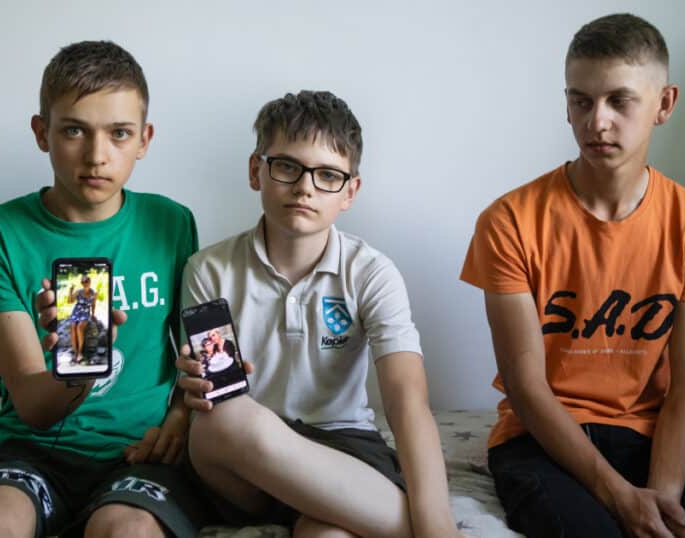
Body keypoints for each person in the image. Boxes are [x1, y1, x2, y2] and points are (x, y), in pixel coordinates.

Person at [459, 13, 685, 538]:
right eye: (580, 101)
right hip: (540, 440)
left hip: (651, 440)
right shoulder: (509, 221)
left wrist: (664, 496)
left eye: (619, 100)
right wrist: (617, 496)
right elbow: (526, 386)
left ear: (664, 104)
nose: (597, 121)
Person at [0, 40, 204, 538]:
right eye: (73, 130)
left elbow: (192, 350)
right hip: (31, 449)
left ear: (144, 139)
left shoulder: (171, 222)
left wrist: (179, 417)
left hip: (141, 451)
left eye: (119, 134)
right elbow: (34, 406)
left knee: (127, 532)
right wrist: (80, 361)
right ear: (42, 133)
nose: (97, 155)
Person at [134, 90, 462, 537]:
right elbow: (214, 396)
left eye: (327, 175)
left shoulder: (371, 272)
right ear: (257, 170)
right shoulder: (209, 269)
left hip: (343, 447)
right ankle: (379, 517)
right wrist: (191, 392)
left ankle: (341, 515)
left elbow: (407, 400)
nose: (305, 187)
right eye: (287, 166)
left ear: (350, 192)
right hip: (242, 462)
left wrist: (436, 517)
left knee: (326, 536)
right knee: (224, 416)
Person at [68, 274, 97, 363]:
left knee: (79, 327)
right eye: (83, 282)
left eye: (86, 281)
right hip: (76, 310)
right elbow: (69, 301)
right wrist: (70, 291)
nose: (85, 283)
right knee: (73, 327)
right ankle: (75, 353)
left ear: (89, 282)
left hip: (85, 311)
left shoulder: (94, 293)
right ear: (81, 283)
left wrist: (93, 314)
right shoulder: (78, 292)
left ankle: (80, 353)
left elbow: (93, 304)